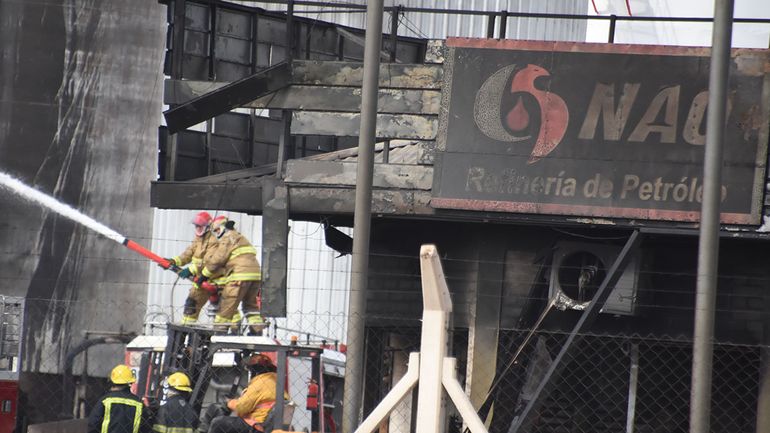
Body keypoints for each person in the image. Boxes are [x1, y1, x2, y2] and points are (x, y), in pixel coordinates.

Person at [196, 216, 264, 331]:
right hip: (255, 276)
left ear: (223, 228)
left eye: (217, 230)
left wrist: (204, 275)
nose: (217, 234)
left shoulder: (227, 238)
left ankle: (219, 334)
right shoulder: (241, 237)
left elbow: (218, 259)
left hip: (239, 277)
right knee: (251, 306)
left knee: (226, 307)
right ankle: (256, 332)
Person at [166, 211, 219, 324]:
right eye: (196, 226)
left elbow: (209, 262)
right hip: (199, 281)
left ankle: (187, 333)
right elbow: (188, 254)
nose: (198, 228)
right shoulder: (198, 240)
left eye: (200, 226)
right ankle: (186, 332)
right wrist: (174, 261)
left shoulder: (214, 242)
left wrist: (191, 269)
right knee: (190, 307)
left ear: (208, 226)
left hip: (208, 280)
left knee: (192, 306)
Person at [209, 354, 286, 433]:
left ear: (255, 371)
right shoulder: (274, 381)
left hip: (257, 423)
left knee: (218, 422)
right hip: (264, 422)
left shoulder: (260, 383)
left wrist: (229, 402)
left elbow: (241, 407)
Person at [88, 365, 149, 433]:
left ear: (112, 381)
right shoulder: (139, 404)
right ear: (130, 383)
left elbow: (93, 423)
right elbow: (146, 427)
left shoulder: (106, 400)